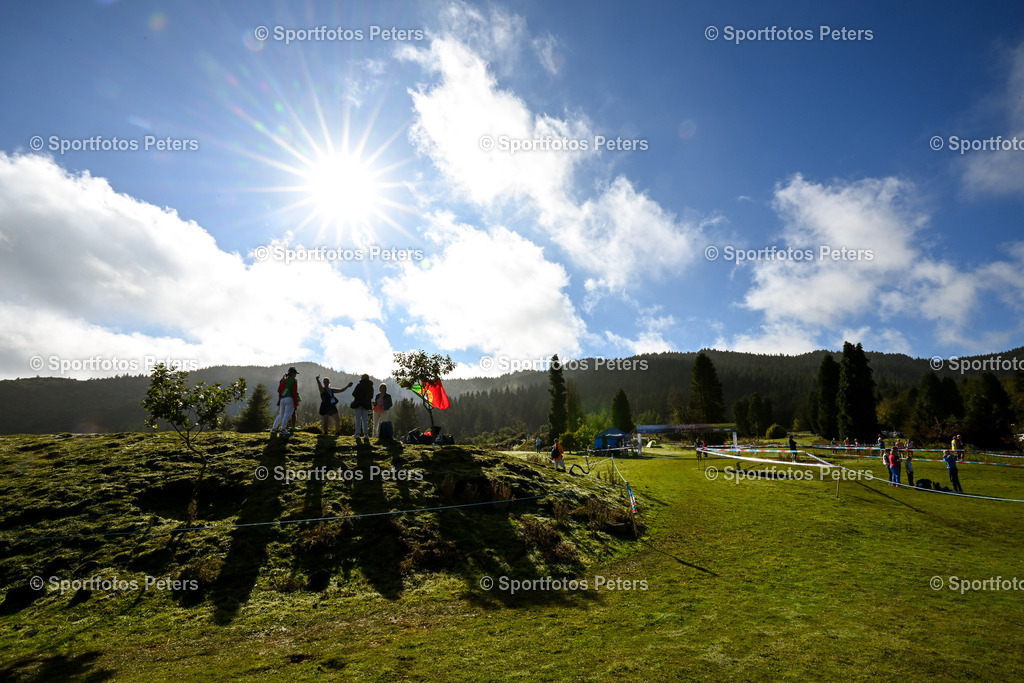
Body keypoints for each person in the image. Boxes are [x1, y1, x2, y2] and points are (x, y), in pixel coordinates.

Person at [271, 367, 301, 437]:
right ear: (292, 374)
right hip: (290, 399)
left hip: (282, 399)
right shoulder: (294, 380)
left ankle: (273, 429)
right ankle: (283, 430)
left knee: (281, 415)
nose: (295, 375)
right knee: (287, 415)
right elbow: (294, 392)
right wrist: (295, 402)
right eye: (295, 373)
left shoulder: (282, 380)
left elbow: (279, 390)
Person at [351, 374, 374, 438]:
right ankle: (366, 434)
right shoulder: (370, 386)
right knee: (365, 419)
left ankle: (357, 434)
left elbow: (354, 394)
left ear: (362, 378)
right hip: (366, 404)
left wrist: (359, 398)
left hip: (358, 403)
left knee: (358, 418)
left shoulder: (359, 385)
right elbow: (371, 396)